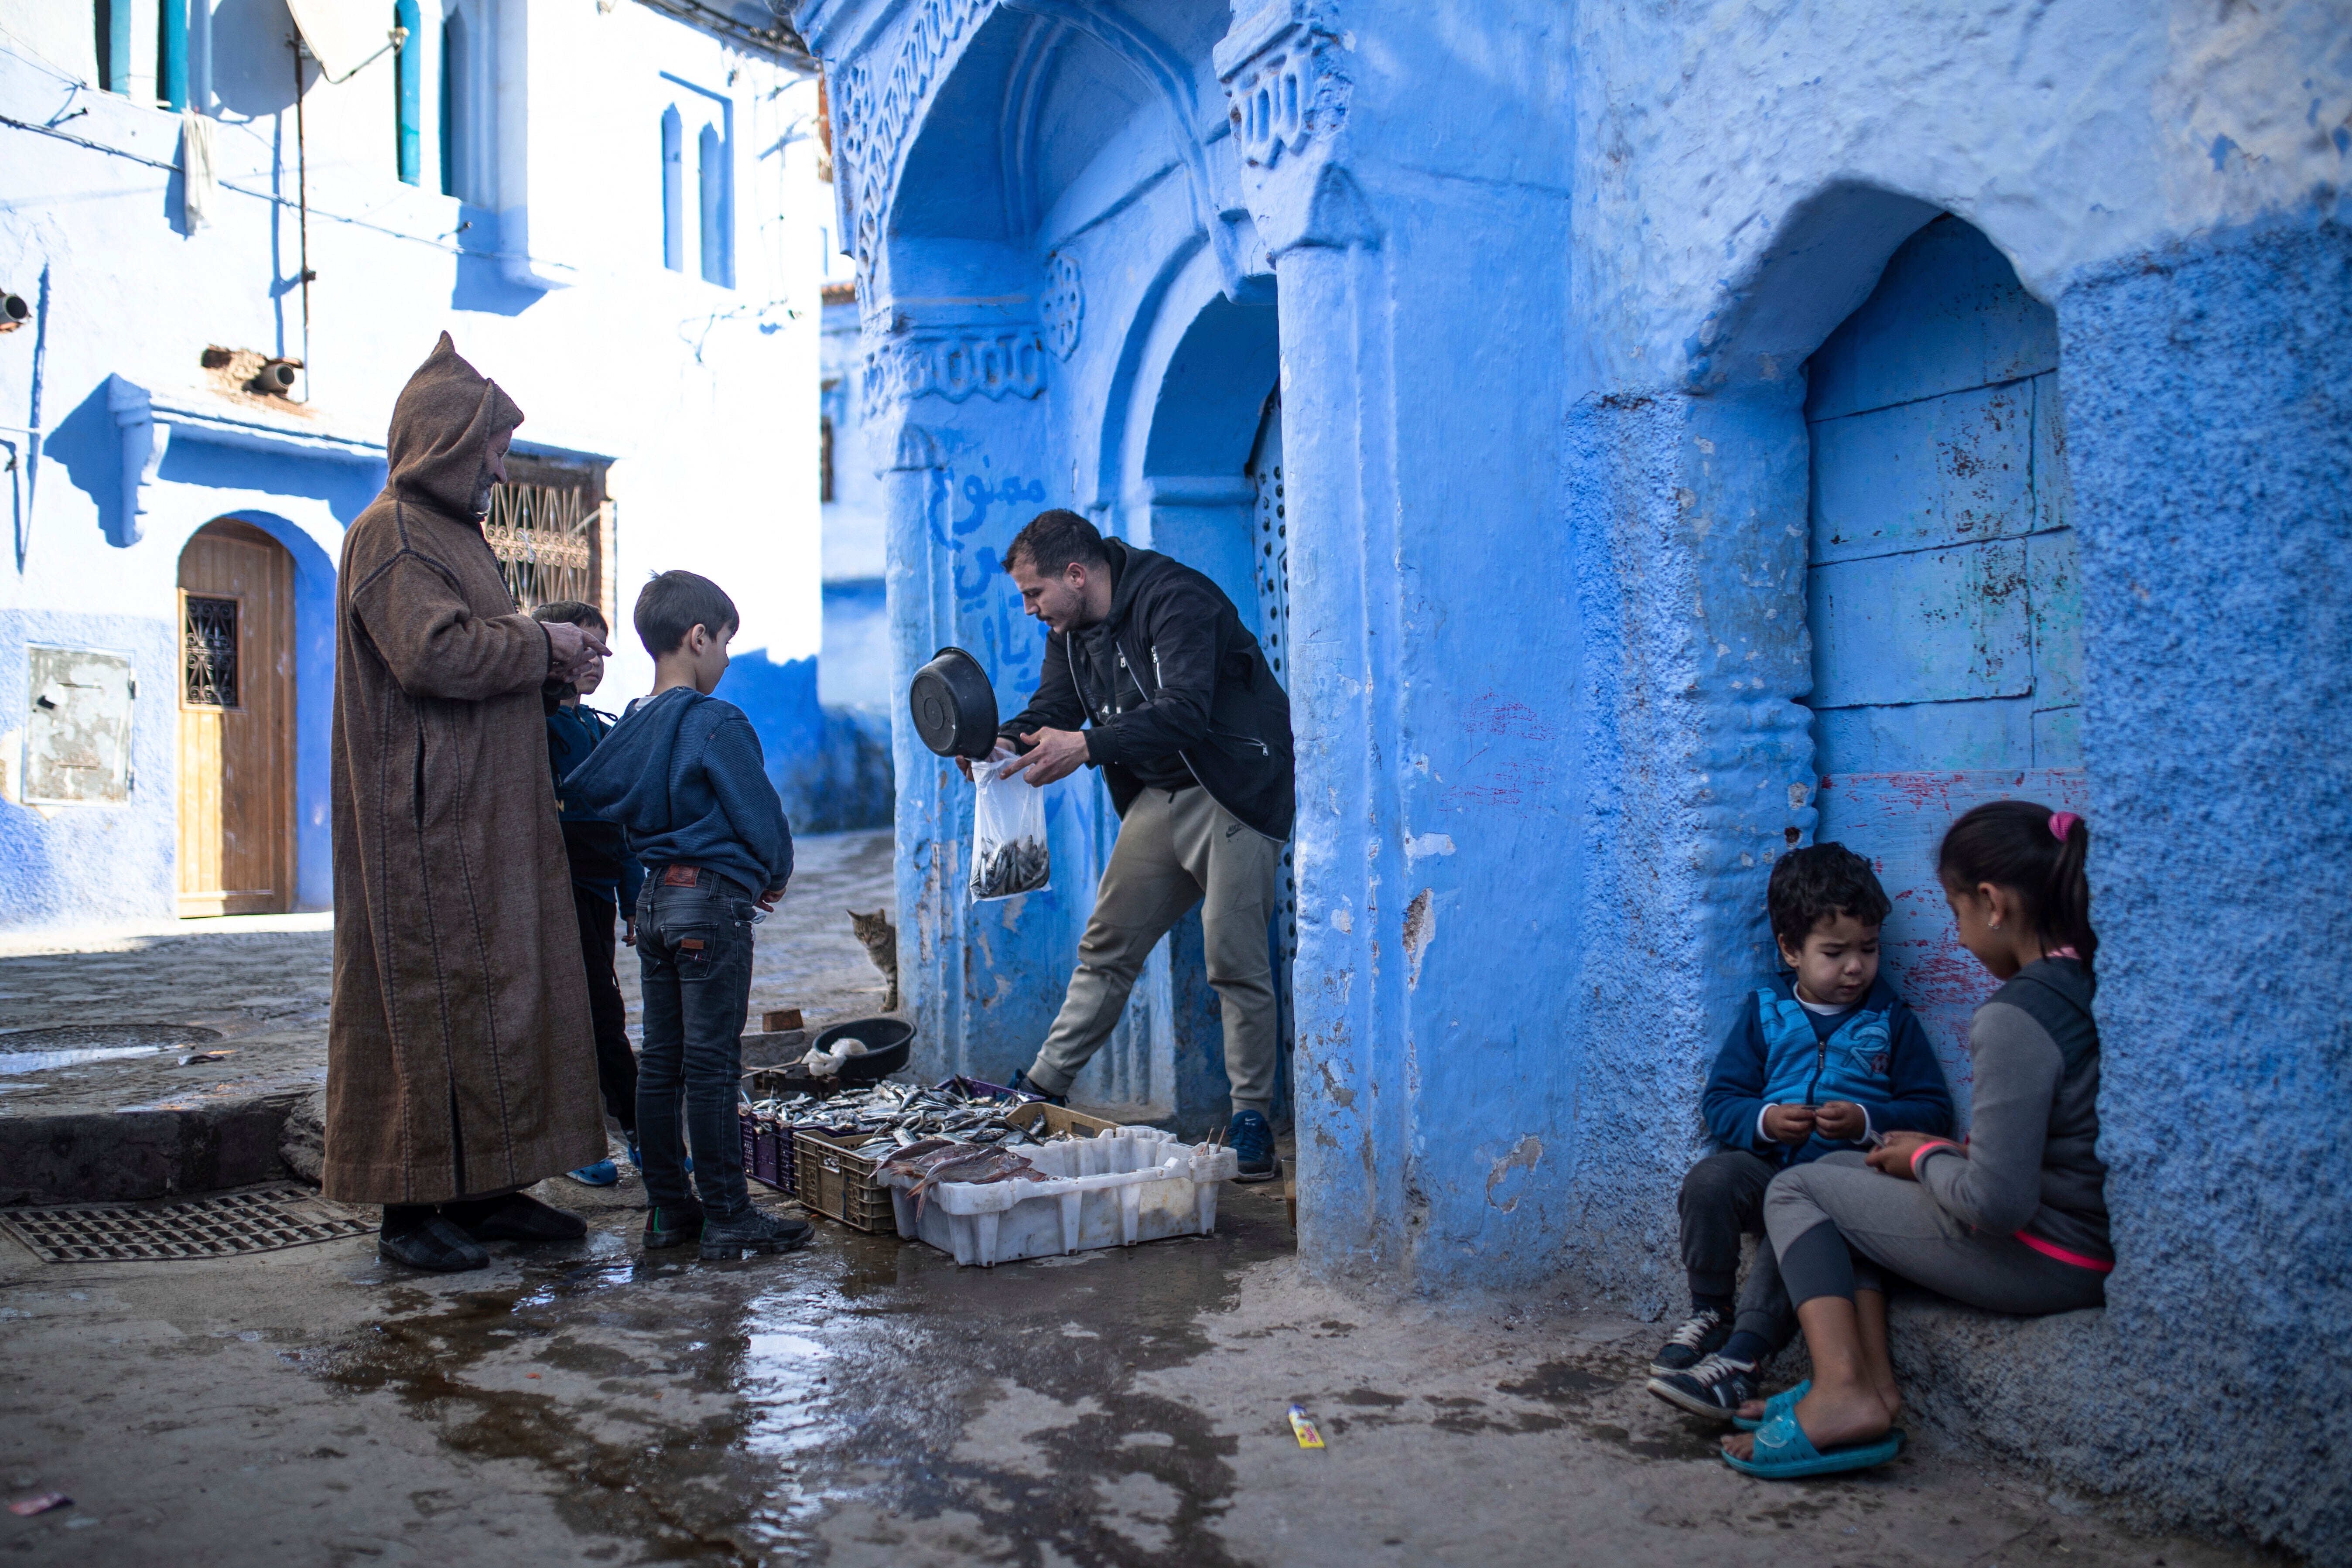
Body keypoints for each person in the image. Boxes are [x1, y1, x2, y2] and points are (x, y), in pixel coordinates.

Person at [325, 333, 613, 1273]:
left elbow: (487, 649)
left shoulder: (453, 535)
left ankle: (487, 1188)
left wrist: (556, 658)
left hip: (485, 815)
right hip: (425, 824)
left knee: (500, 995)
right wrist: (538, 645)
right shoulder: (391, 532)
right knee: (431, 1002)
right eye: (490, 447)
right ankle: (409, 1210)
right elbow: (434, 654)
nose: (499, 465)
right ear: (446, 442)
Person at [1723, 801, 2109, 1479]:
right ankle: (1872, 1391)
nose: (1956, 938)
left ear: (1992, 904)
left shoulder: (2014, 1017)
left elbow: (1998, 1202)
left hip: (2045, 1255)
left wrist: (1927, 1156)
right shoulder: (2083, 987)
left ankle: (1843, 1393)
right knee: (1850, 1182)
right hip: (2080, 1246)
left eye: (1956, 912)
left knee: (1795, 1188)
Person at [978, 510, 1295, 1180]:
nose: (1032, 610)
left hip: (1232, 788)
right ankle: (1040, 1089)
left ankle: (1252, 1120)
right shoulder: (1069, 629)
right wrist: (1002, 742)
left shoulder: (1176, 599)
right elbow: (1054, 710)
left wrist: (1087, 747)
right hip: (1161, 795)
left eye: (1035, 594)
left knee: (1234, 961)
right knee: (1106, 948)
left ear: (1076, 573)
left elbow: (1185, 711)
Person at [1646, 843, 1953, 1421]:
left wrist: (1866, 1123)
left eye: (1868, 948)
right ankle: (1712, 1311)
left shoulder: (1891, 1022)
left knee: (1802, 1222)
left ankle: (1745, 1357)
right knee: (1710, 1180)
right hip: (1771, 1166)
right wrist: (1766, 1120)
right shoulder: (1766, 1013)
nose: (1856, 967)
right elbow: (1722, 1100)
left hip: (1845, 1185)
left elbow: (1934, 1111)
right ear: (1790, 950)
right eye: (1834, 953)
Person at [562, 571, 813, 1260]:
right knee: (711, 1065)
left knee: (663, 1061)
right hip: (710, 904)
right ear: (698, 638)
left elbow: (590, 794)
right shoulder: (715, 721)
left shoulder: (633, 722)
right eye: (727, 643)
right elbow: (761, 818)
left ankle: (672, 1214)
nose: (728, 659)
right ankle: (731, 1217)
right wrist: (775, 875)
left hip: (652, 905)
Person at [530, 600, 644, 1186]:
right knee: (596, 1011)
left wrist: (632, 901)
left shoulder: (602, 730)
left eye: (602, 648)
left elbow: (623, 827)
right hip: (556, 890)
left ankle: (611, 1134)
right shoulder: (534, 729)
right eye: (583, 646)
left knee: (596, 1008)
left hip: (598, 891)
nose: (594, 659)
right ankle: (628, 1132)